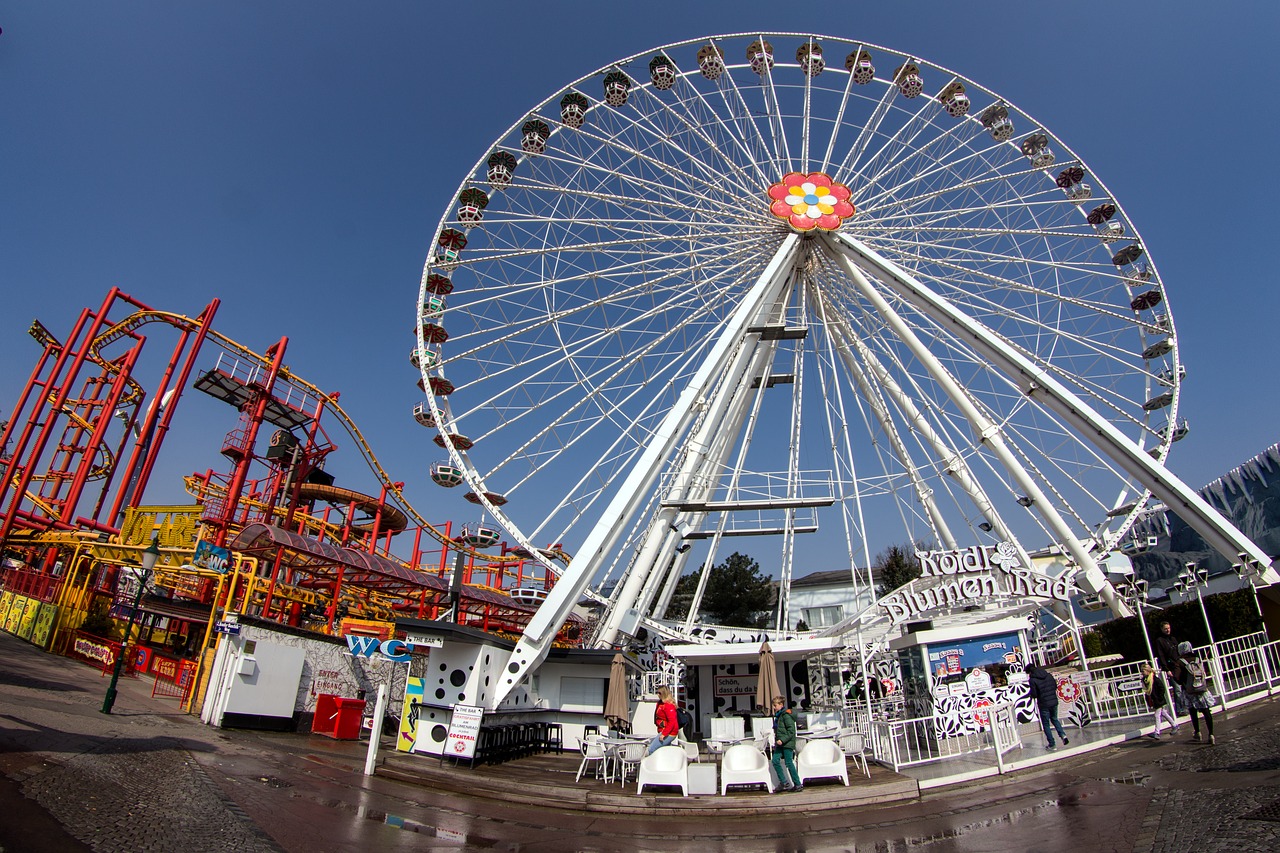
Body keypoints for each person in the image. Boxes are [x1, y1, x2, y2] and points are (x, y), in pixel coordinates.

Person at [1173, 641, 1216, 744]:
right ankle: (1211, 734)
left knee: (1193, 711)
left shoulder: (1180, 662)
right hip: (1201, 689)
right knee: (1206, 711)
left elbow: (1176, 677)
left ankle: (1197, 732)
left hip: (1189, 691)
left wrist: (1183, 683)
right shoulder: (1197, 659)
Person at [1026, 663, 1069, 750]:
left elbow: (1034, 694)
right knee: (1055, 719)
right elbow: (1055, 686)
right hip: (1054, 701)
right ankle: (1063, 735)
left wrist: (1032, 695)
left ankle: (1052, 744)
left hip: (1043, 704)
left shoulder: (1032, 680)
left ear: (1030, 671)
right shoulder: (1048, 675)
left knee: (1046, 724)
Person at [769, 695, 804, 793]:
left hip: (787, 743)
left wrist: (783, 740)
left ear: (781, 704)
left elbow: (791, 731)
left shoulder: (786, 716)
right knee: (775, 760)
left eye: (775, 705)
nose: (774, 708)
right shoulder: (779, 716)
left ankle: (797, 784)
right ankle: (784, 782)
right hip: (780, 743)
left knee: (789, 763)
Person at [1141, 662, 1178, 739]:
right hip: (1154, 700)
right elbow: (1147, 691)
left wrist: (1159, 698)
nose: (1142, 673)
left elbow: (1162, 688)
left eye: (1143, 671)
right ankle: (1174, 725)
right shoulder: (1145, 680)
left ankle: (1157, 732)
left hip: (1159, 700)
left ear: (1147, 671)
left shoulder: (1155, 679)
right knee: (1164, 713)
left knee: (1157, 715)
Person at [1153, 621, 1184, 713]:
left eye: (1169, 628)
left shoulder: (1173, 639)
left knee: (1184, 688)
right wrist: (1166, 669)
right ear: (1162, 629)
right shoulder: (1160, 641)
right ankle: (1180, 709)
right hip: (1171, 667)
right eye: (1165, 628)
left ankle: (1188, 706)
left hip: (1179, 666)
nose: (1168, 630)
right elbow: (1161, 655)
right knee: (1177, 689)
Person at [646, 686, 680, 755]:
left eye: (659, 693)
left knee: (652, 749)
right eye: (657, 693)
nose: (658, 695)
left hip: (669, 732)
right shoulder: (660, 703)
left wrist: (664, 734)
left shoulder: (668, 705)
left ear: (663, 694)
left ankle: (653, 764)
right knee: (665, 751)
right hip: (662, 729)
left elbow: (672, 722)